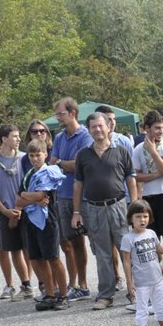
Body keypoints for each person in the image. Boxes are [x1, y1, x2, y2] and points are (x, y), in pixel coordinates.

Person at [72, 110, 138, 311]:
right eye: (93, 127)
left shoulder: (121, 151)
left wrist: (134, 205)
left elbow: (131, 180)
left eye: (101, 125)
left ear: (109, 127)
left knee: (128, 249)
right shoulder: (83, 155)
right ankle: (105, 295)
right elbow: (78, 185)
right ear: (89, 130)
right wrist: (76, 212)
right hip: (94, 209)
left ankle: (135, 291)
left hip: (119, 206)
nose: (98, 129)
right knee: (102, 254)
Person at [16, 138, 69, 309]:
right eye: (31, 155)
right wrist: (29, 198)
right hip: (30, 220)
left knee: (53, 258)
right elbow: (18, 200)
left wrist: (27, 196)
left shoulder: (50, 172)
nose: (34, 159)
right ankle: (50, 293)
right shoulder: (29, 174)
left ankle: (63, 295)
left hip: (48, 220)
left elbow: (41, 195)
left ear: (45, 154)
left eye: (38, 155)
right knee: (37, 259)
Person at [0, 124, 33, 301]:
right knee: (14, 249)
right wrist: (5, 211)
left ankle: (39, 283)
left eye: (19, 136)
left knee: (30, 247)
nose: (19, 139)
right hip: (5, 211)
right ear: (4, 139)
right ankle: (25, 284)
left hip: (26, 209)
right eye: (15, 136)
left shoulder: (25, 158)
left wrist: (19, 209)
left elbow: (30, 184)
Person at [50, 98, 93, 299]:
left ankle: (116, 279)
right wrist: (62, 163)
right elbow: (52, 162)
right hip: (63, 196)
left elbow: (79, 165)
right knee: (74, 242)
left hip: (85, 196)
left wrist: (60, 163)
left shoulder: (86, 136)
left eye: (61, 114)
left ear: (72, 113)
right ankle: (80, 285)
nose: (58, 118)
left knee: (100, 241)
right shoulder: (58, 138)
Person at [120, 201, 163, 326]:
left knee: (161, 308)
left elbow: (161, 250)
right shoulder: (128, 238)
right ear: (131, 219)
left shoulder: (151, 233)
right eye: (138, 216)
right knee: (142, 310)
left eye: (145, 216)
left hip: (157, 279)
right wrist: (129, 282)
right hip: (141, 282)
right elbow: (126, 262)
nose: (142, 220)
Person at [132, 110, 163, 251]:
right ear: (147, 128)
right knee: (150, 238)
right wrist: (155, 174)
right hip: (148, 197)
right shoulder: (138, 149)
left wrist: (153, 152)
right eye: (157, 128)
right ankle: (159, 272)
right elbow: (135, 176)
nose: (161, 131)